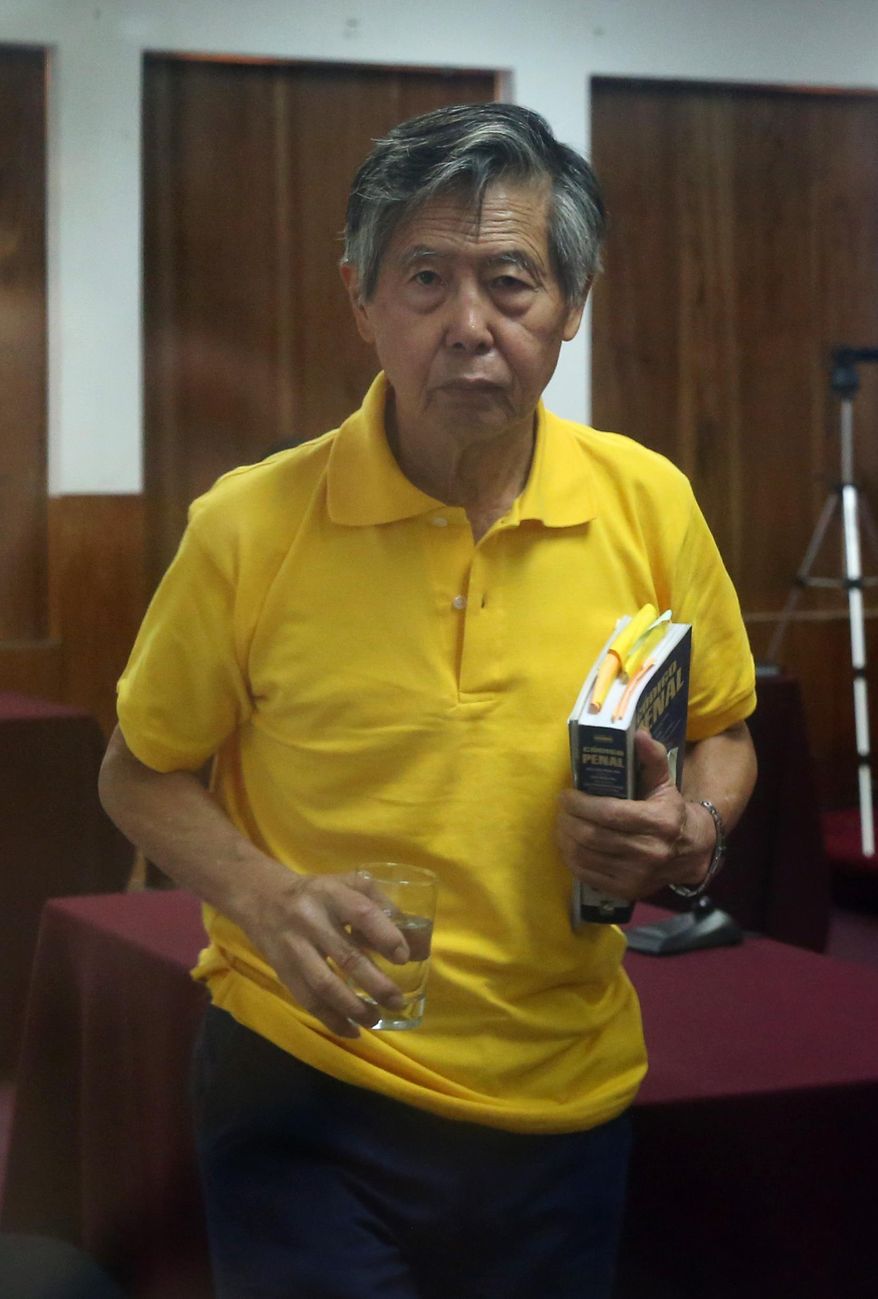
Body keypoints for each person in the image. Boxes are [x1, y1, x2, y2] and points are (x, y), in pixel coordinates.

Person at [99, 102, 757, 1299]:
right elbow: (136, 769)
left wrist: (692, 833)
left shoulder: (647, 503)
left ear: (572, 302)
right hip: (304, 1082)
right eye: (422, 279)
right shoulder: (248, 526)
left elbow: (721, 728)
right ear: (359, 298)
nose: (468, 327)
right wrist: (264, 894)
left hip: (564, 1090)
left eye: (510, 283)